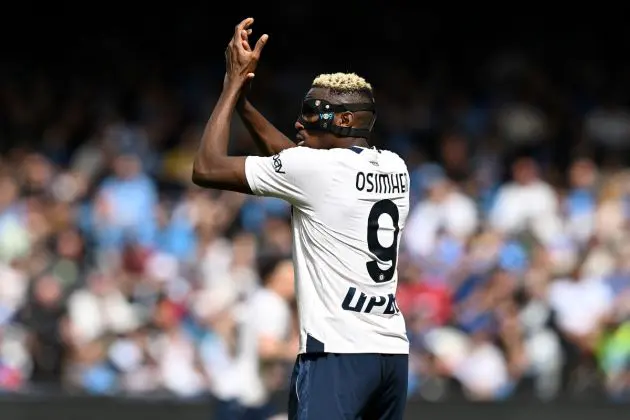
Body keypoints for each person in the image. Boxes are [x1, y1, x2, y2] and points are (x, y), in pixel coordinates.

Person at [192, 17, 410, 420]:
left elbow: (206, 167)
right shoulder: (395, 166)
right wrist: (244, 105)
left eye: (313, 112)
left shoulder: (317, 173)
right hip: (391, 354)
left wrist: (231, 88)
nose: (299, 121)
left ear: (343, 121)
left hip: (336, 354)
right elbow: (297, 163)